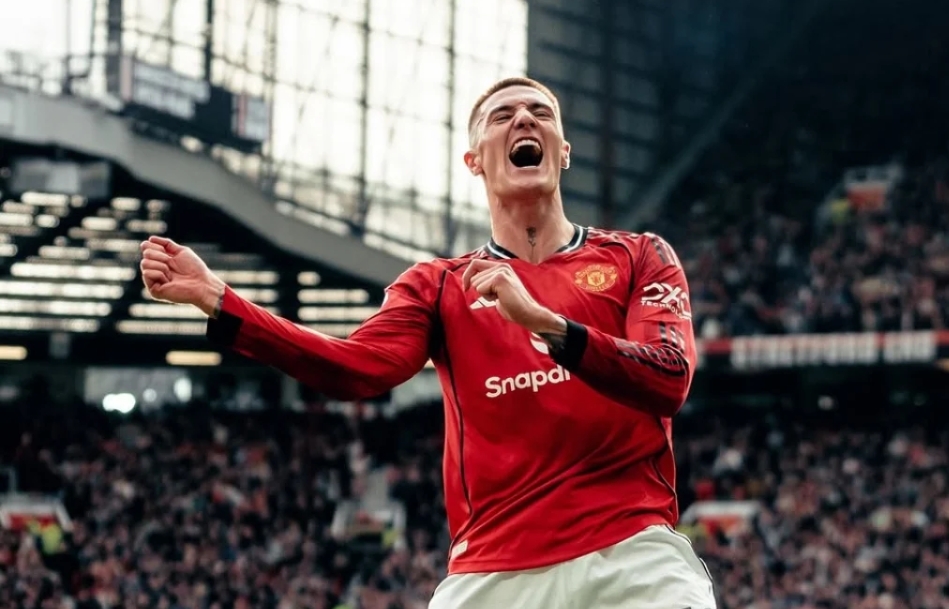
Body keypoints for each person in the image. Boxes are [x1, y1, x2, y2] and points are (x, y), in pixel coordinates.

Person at [139, 77, 716, 609]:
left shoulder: (639, 257)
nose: (524, 120)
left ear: (563, 151)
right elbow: (355, 368)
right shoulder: (437, 285)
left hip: (633, 557)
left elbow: (669, 377)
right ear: (474, 160)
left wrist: (545, 323)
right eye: (502, 117)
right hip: (494, 573)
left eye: (541, 113)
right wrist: (220, 300)